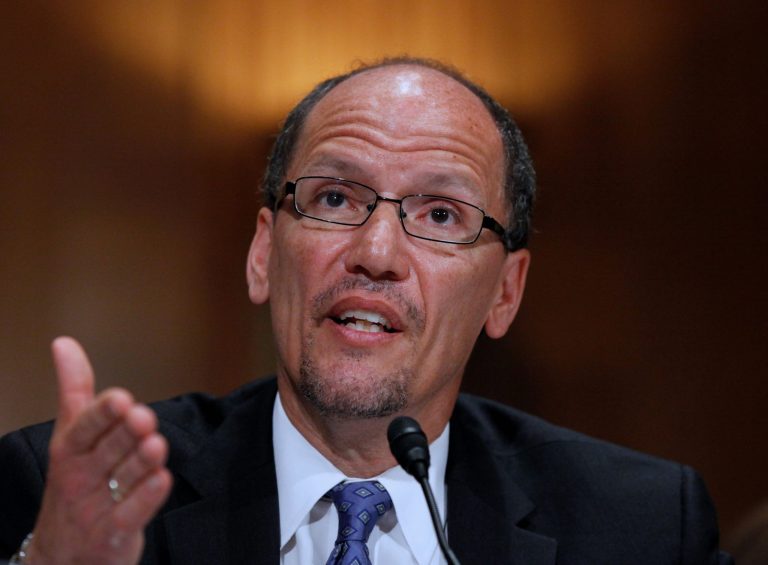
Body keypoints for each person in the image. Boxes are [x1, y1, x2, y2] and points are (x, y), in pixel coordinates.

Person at [0, 57, 731, 564]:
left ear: (505, 291)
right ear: (263, 253)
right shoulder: (73, 496)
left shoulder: (637, 525)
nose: (376, 250)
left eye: (442, 214)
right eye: (335, 199)